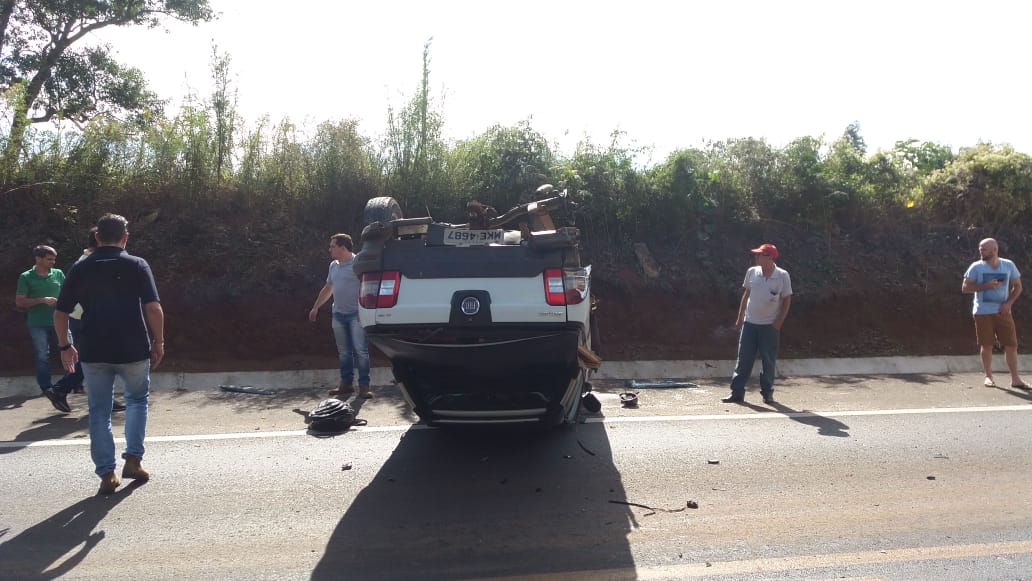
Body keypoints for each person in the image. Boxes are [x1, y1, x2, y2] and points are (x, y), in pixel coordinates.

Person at [54, 214, 164, 495]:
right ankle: (134, 461)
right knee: (137, 401)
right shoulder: (137, 265)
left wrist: (65, 346)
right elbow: (153, 308)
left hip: (93, 349)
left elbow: (60, 311)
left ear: (98, 238)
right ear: (125, 237)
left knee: (99, 411)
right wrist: (159, 341)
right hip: (133, 348)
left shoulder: (81, 267)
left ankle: (106, 474)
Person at [55, 227, 127, 411]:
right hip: (86, 315)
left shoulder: (87, 260)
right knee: (94, 357)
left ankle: (64, 389)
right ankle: (60, 388)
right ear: (99, 240)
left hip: (84, 315)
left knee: (95, 356)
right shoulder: (90, 262)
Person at [722, 243, 793, 405]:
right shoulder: (752, 272)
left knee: (768, 360)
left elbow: (787, 299)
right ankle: (737, 392)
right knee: (743, 359)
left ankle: (767, 393)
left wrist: (779, 322)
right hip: (750, 324)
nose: (756, 257)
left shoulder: (782, 275)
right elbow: (746, 294)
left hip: (769, 326)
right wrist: (740, 318)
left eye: (760, 255)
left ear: (770, 257)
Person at [309, 233, 371, 399]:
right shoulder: (333, 266)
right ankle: (346, 384)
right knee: (344, 352)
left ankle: (364, 386)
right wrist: (316, 307)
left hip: (356, 315)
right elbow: (328, 288)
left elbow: (368, 287)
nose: (330, 249)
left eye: (333, 246)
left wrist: (363, 310)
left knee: (361, 351)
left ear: (343, 248)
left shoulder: (359, 263)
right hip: (338, 314)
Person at [961, 238, 1027, 389]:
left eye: (983, 249)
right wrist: (986, 286)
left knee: (1011, 345)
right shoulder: (976, 267)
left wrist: (1008, 303)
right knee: (987, 345)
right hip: (982, 312)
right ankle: (988, 377)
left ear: (994, 250)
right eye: (980, 249)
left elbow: (1018, 287)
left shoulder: (1008, 265)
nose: (980, 251)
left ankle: (1015, 379)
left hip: (1004, 312)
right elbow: (965, 288)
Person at [15, 245, 74, 413]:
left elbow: (67, 294)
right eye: (49, 259)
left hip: (60, 322)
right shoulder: (26, 277)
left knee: (70, 352)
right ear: (38, 259)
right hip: (37, 323)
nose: (53, 262)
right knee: (42, 355)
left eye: (54, 259)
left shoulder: (58, 274)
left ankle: (66, 386)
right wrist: (41, 300)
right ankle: (47, 388)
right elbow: (20, 302)